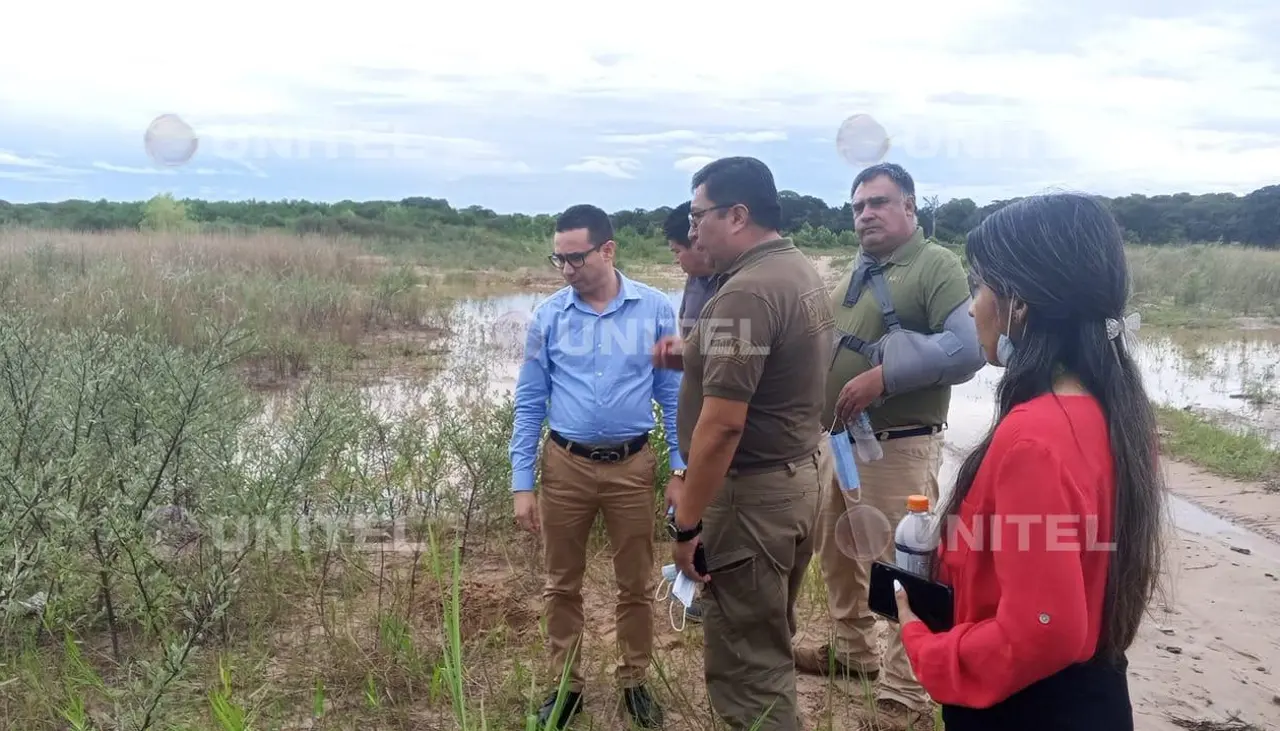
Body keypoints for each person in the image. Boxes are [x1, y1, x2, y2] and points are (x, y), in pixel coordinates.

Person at [893, 192, 1167, 730]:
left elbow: (1044, 628)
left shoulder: (1033, 437)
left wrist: (927, 648)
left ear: (1019, 304)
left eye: (980, 286)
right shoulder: (1113, 410)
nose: (972, 307)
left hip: (1027, 706)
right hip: (1094, 692)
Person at [794, 162, 985, 730]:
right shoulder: (858, 269)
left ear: (909, 207)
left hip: (897, 447)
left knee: (903, 563)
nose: (866, 215)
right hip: (840, 444)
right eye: (857, 207)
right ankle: (853, 653)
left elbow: (969, 349)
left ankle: (907, 687)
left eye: (878, 202)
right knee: (839, 555)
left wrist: (886, 377)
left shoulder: (936, 265)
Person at [657, 156, 835, 731]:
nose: (692, 231)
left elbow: (724, 424)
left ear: (737, 215)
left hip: (754, 499)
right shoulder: (798, 270)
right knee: (767, 637)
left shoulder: (746, 294)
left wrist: (686, 523)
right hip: (798, 478)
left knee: (747, 670)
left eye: (698, 215)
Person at [509, 203, 684, 729]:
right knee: (562, 583)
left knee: (636, 582)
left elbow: (673, 396)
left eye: (576, 258)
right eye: (558, 259)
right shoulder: (548, 317)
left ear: (608, 250)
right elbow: (530, 400)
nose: (567, 269)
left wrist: (680, 467)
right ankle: (566, 687)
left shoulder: (654, 309)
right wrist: (523, 483)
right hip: (565, 467)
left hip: (632, 467)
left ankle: (635, 682)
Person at [660, 200, 719, 624]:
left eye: (679, 248)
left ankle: (715, 592)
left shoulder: (734, 289)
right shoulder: (695, 283)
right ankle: (701, 590)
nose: (678, 258)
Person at [664, 200, 720, 338]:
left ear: (697, 241)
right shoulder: (694, 279)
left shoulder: (736, 280)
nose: (676, 260)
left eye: (677, 251)